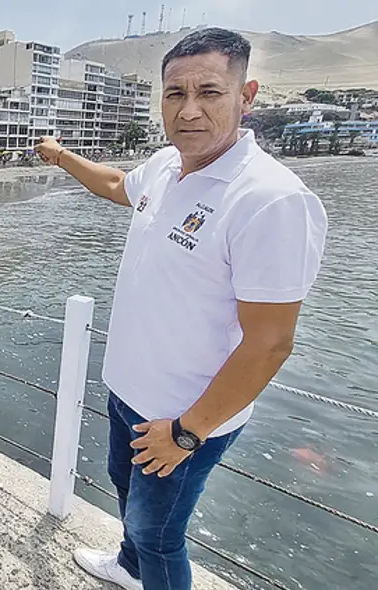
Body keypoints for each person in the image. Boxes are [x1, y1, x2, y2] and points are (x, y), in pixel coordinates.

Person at [34, 28, 327, 590]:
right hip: (130, 393)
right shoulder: (167, 167)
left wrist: (188, 433)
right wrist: (61, 155)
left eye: (210, 93)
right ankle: (127, 568)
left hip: (184, 417)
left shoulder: (271, 200)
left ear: (247, 96)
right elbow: (120, 184)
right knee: (127, 494)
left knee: (160, 534)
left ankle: (144, 565)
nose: (189, 110)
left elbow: (270, 343)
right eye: (175, 94)